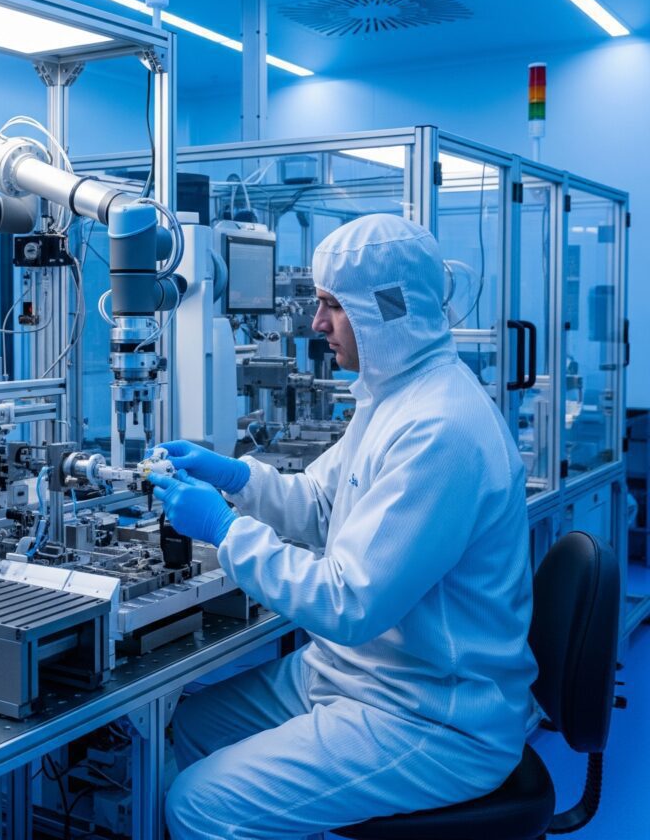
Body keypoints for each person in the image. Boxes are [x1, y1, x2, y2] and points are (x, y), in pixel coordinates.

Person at [149, 213, 537, 840]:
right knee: (186, 728)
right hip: (353, 674)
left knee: (199, 805)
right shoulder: (392, 396)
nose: (315, 324)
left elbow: (348, 602)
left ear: (388, 309)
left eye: (332, 305)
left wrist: (223, 529)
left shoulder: (441, 429)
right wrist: (237, 480)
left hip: (430, 713)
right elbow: (321, 504)